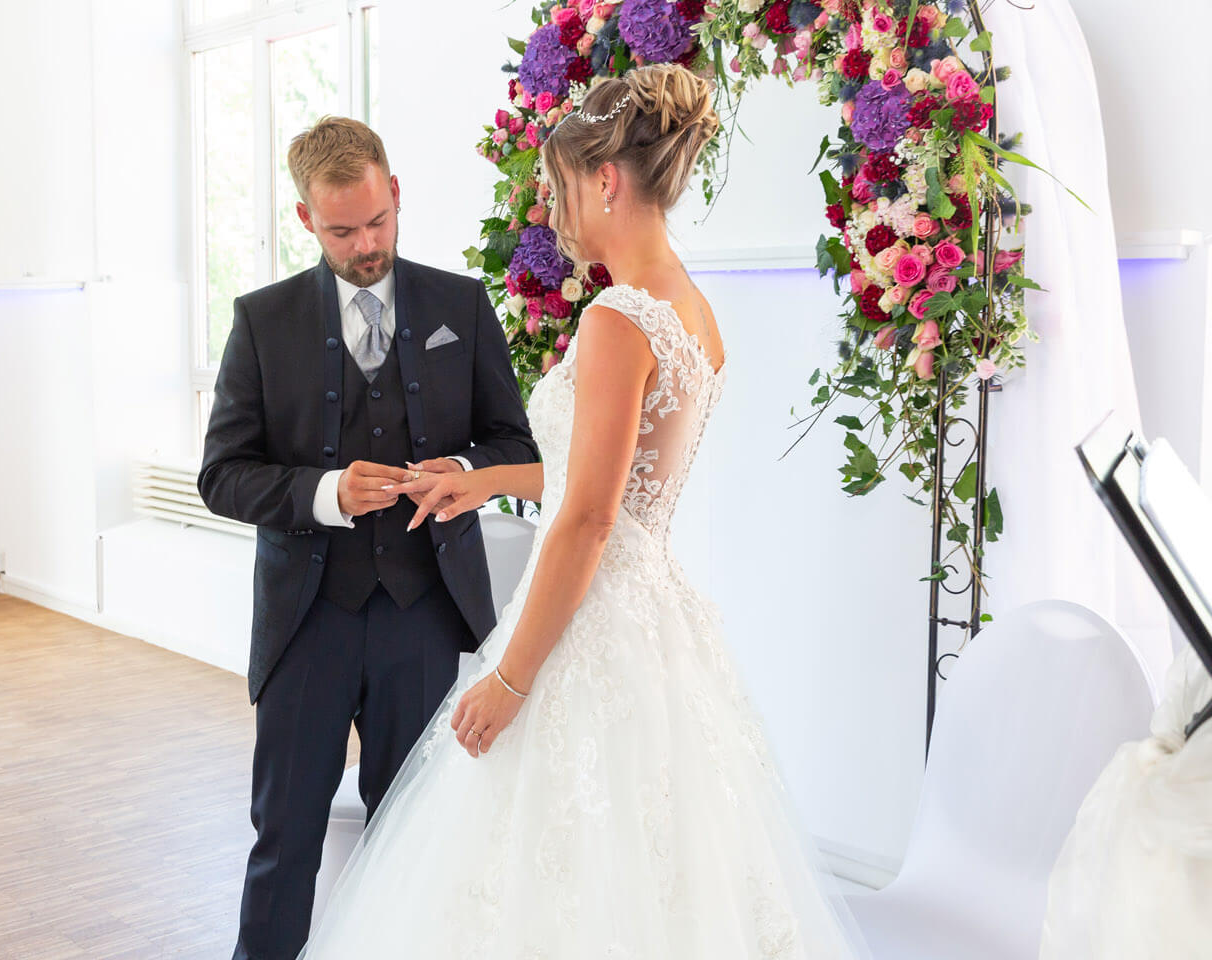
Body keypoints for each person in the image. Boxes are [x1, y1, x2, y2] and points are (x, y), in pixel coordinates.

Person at [297, 64, 869, 958]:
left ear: (607, 179)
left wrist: (512, 679)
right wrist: (483, 479)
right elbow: (613, 482)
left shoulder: (615, 320)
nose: (555, 215)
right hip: (654, 614)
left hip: (586, 615)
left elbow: (591, 520)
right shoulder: (693, 310)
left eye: (562, 190)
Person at [197, 116, 539, 960]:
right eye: (343, 230)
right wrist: (322, 493)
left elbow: (518, 450)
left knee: (412, 841)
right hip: (306, 617)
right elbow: (221, 475)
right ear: (305, 220)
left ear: (396, 194)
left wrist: (460, 466)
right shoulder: (261, 320)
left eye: (378, 222)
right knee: (285, 842)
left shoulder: (461, 304)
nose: (366, 244)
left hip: (423, 613)